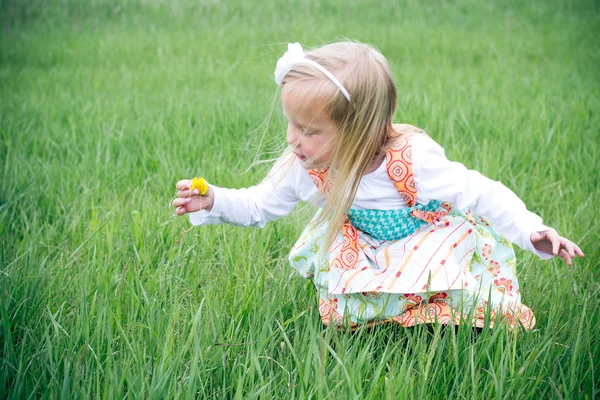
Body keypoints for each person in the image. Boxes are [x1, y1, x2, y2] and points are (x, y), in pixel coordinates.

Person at [172, 41, 584, 331]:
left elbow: (482, 192)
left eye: (309, 130)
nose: (292, 140)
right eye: (290, 124)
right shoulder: (306, 166)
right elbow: (259, 205)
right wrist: (213, 200)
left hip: (425, 238)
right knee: (350, 277)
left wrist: (532, 231)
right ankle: (381, 324)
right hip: (368, 247)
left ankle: (446, 325)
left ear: (360, 130)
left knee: (457, 291)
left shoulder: (413, 162)